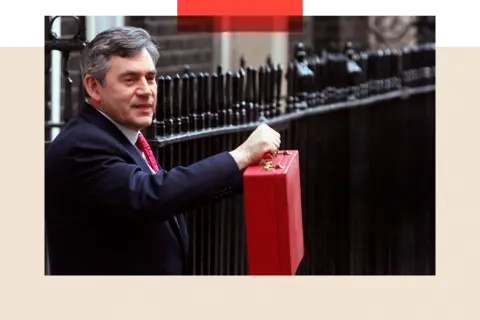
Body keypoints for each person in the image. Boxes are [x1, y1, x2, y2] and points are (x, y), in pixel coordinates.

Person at [45, 26, 281, 275]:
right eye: (130, 79)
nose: (146, 90)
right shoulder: (82, 145)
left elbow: (167, 193)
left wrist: (252, 171)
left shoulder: (119, 135)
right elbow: (150, 196)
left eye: (150, 78)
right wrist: (241, 155)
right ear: (94, 87)